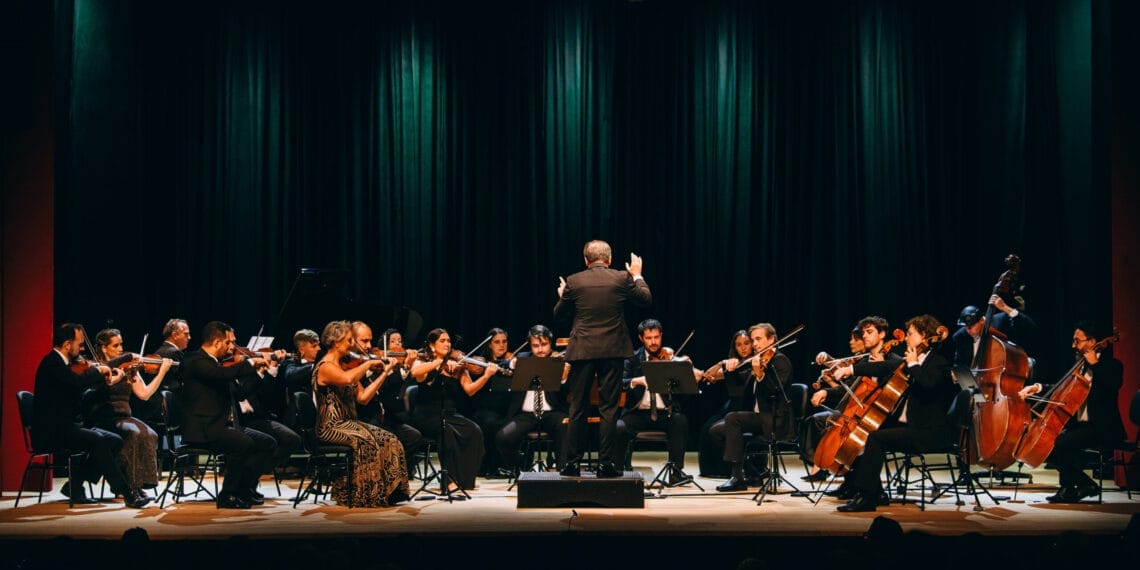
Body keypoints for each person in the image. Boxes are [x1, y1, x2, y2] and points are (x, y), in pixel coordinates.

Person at [829, 314, 955, 512]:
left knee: (876, 438)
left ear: (923, 335)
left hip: (927, 431)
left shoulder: (938, 362)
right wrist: (851, 370)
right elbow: (883, 366)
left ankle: (868, 497)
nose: (906, 338)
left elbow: (928, 385)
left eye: (911, 334)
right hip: (909, 425)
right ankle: (871, 490)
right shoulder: (913, 359)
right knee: (864, 431)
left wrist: (913, 365)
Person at [553, 240, 652, 477]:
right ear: (609, 259)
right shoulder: (620, 278)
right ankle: (607, 465)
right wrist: (637, 275)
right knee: (609, 408)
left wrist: (562, 296)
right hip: (612, 350)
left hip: (583, 350)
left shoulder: (574, 281)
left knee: (578, 408)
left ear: (586, 260)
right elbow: (646, 299)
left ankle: (572, 464)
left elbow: (559, 315)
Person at [33, 323, 149, 508]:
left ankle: (75, 485)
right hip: (53, 429)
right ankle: (127, 493)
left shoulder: (66, 364)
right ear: (66, 345)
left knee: (115, 440)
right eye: (79, 344)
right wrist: (99, 371)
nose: (82, 348)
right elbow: (77, 384)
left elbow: (83, 391)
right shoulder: (53, 364)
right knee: (98, 440)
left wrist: (106, 378)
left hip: (68, 425)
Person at [1018, 320, 1125, 503]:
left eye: (1077, 340)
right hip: (1082, 427)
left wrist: (1096, 364)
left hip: (1102, 427)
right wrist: (1036, 388)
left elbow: (1114, 384)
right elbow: (1061, 388)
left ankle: (1075, 487)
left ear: (1092, 342)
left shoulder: (1112, 365)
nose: (1073, 345)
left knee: (1062, 443)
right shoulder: (1081, 366)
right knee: (1050, 446)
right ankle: (1077, 486)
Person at [181, 321, 278, 509]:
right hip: (204, 428)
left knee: (267, 443)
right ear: (217, 342)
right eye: (229, 342)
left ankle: (244, 488)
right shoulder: (195, 361)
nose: (232, 347)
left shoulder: (218, 365)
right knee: (243, 444)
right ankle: (228, 495)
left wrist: (260, 372)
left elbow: (240, 394)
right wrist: (250, 362)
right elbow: (219, 375)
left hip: (221, 426)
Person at [312, 320, 410, 507]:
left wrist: (384, 372)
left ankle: (390, 493)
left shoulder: (345, 365)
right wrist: (369, 363)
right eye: (349, 340)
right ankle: (363, 495)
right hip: (331, 426)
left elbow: (363, 397)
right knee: (367, 442)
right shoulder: (326, 366)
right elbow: (348, 379)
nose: (352, 345)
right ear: (335, 342)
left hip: (349, 423)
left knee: (390, 439)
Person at [803, 318, 898, 483]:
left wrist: (852, 369)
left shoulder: (893, 361)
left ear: (882, 334)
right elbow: (850, 388)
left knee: (858, 437)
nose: (865, 336)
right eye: (863, 333)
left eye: (870, 332)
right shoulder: (864, 360)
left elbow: (888, 379)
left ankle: (861, 484)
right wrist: (826, 391)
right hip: (861, 414)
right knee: (834, 423)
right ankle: (848, 481)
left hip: (881, 417)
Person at [89, 328, 174, 503]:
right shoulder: (98, 368)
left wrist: (162, 372)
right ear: (104, 348)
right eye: (116, 345)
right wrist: (116, 378)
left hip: (124, 417)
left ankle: (142, 484)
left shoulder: (127, 368)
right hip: (105, 419)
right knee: (134, 433)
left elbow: (144, 394)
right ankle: (130, 486)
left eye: (121, 344)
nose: (121, 349)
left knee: (150, 433)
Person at [410, 328, 497, 491]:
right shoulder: (423, 360)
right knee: (448, 432)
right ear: (432, 345)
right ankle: (449, 479)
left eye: (448, 340)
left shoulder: (457, 366)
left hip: (450, 414)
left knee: (475, 431)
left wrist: (486, 376)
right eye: (442, 341)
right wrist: (439, 362)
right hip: (427, 415)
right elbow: (415, 372)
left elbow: (470, 389)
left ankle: (465, 480)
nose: (447, 343)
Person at [715, 323, 795, 492]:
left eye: (758, 339)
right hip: (761, 418)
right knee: (718, 430)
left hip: (776, 419)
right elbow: (737, 392)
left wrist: (760, 375)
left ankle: (737, 477)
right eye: (753, 340)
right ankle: (752, 471)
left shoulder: (780, 360)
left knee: (732, 418)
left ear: (771, 339)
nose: (755, 344)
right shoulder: (759, 361)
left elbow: (775, 393)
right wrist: (732, 371)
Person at [616, 319, 697, 481]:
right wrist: (637, 380)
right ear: (641, 338)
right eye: (649, 338)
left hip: (664, 413)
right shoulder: (631, 358)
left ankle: (675, 471)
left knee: (680, 421)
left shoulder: (669, 358)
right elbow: (619, 382)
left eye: (656, 337)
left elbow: (685, 393)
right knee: (619, 426)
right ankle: (619, 470)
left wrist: (684, 372)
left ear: (661, 336)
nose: (653, 342)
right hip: (636, 413)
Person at [494, 325, 570, 473]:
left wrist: (564, 378)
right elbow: (499, 365)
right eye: (535, 346)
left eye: (544, 344)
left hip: (552, 412)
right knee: (503, 438)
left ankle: (563, 472)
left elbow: (569, 392)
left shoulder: (559, 361)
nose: (540, 349)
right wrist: (512, 363)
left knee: (565, 427)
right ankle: (522, 468)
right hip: (525, 415)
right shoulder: (522, 358)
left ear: (551, 343)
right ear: (530, 345)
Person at [231, 344, 301, 500]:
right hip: (242, 423)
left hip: (258, 419)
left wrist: (270, 369)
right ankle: (247, 482)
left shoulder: (252, 374)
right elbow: (241, 393)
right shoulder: (230, 373)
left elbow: (268, 396)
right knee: (266, 443)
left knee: (292, 439)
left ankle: (253, 475)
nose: (244, 357)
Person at [698, 330, 755, 478]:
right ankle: (720, 470)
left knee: (715, 430)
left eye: (746, 344)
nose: (743, 348)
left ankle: (747, 466)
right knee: (706, 429)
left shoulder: (757, 363)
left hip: (749, 408)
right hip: (733, 408)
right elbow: (708, 376)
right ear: (734, 347)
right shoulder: (732, 365)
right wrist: (721, 363)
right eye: (739, 345)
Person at [470, 328, 514, 476]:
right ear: (489, 345)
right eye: (497, 342)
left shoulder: (511, 362)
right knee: (492, 423)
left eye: (504, 341)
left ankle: (514, 466)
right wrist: (487, 372)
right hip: (485, 410)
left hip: (506, 410)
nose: (501, 345)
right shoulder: (481, 363)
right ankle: (492, 467)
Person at [280, 328, 320, 428]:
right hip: (302, 421)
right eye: (314, 346)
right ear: (302, 350)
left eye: (318, 345)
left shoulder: (321, 363)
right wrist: (315, 367)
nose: (319, 349)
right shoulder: (291, 363)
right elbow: (291, 375)